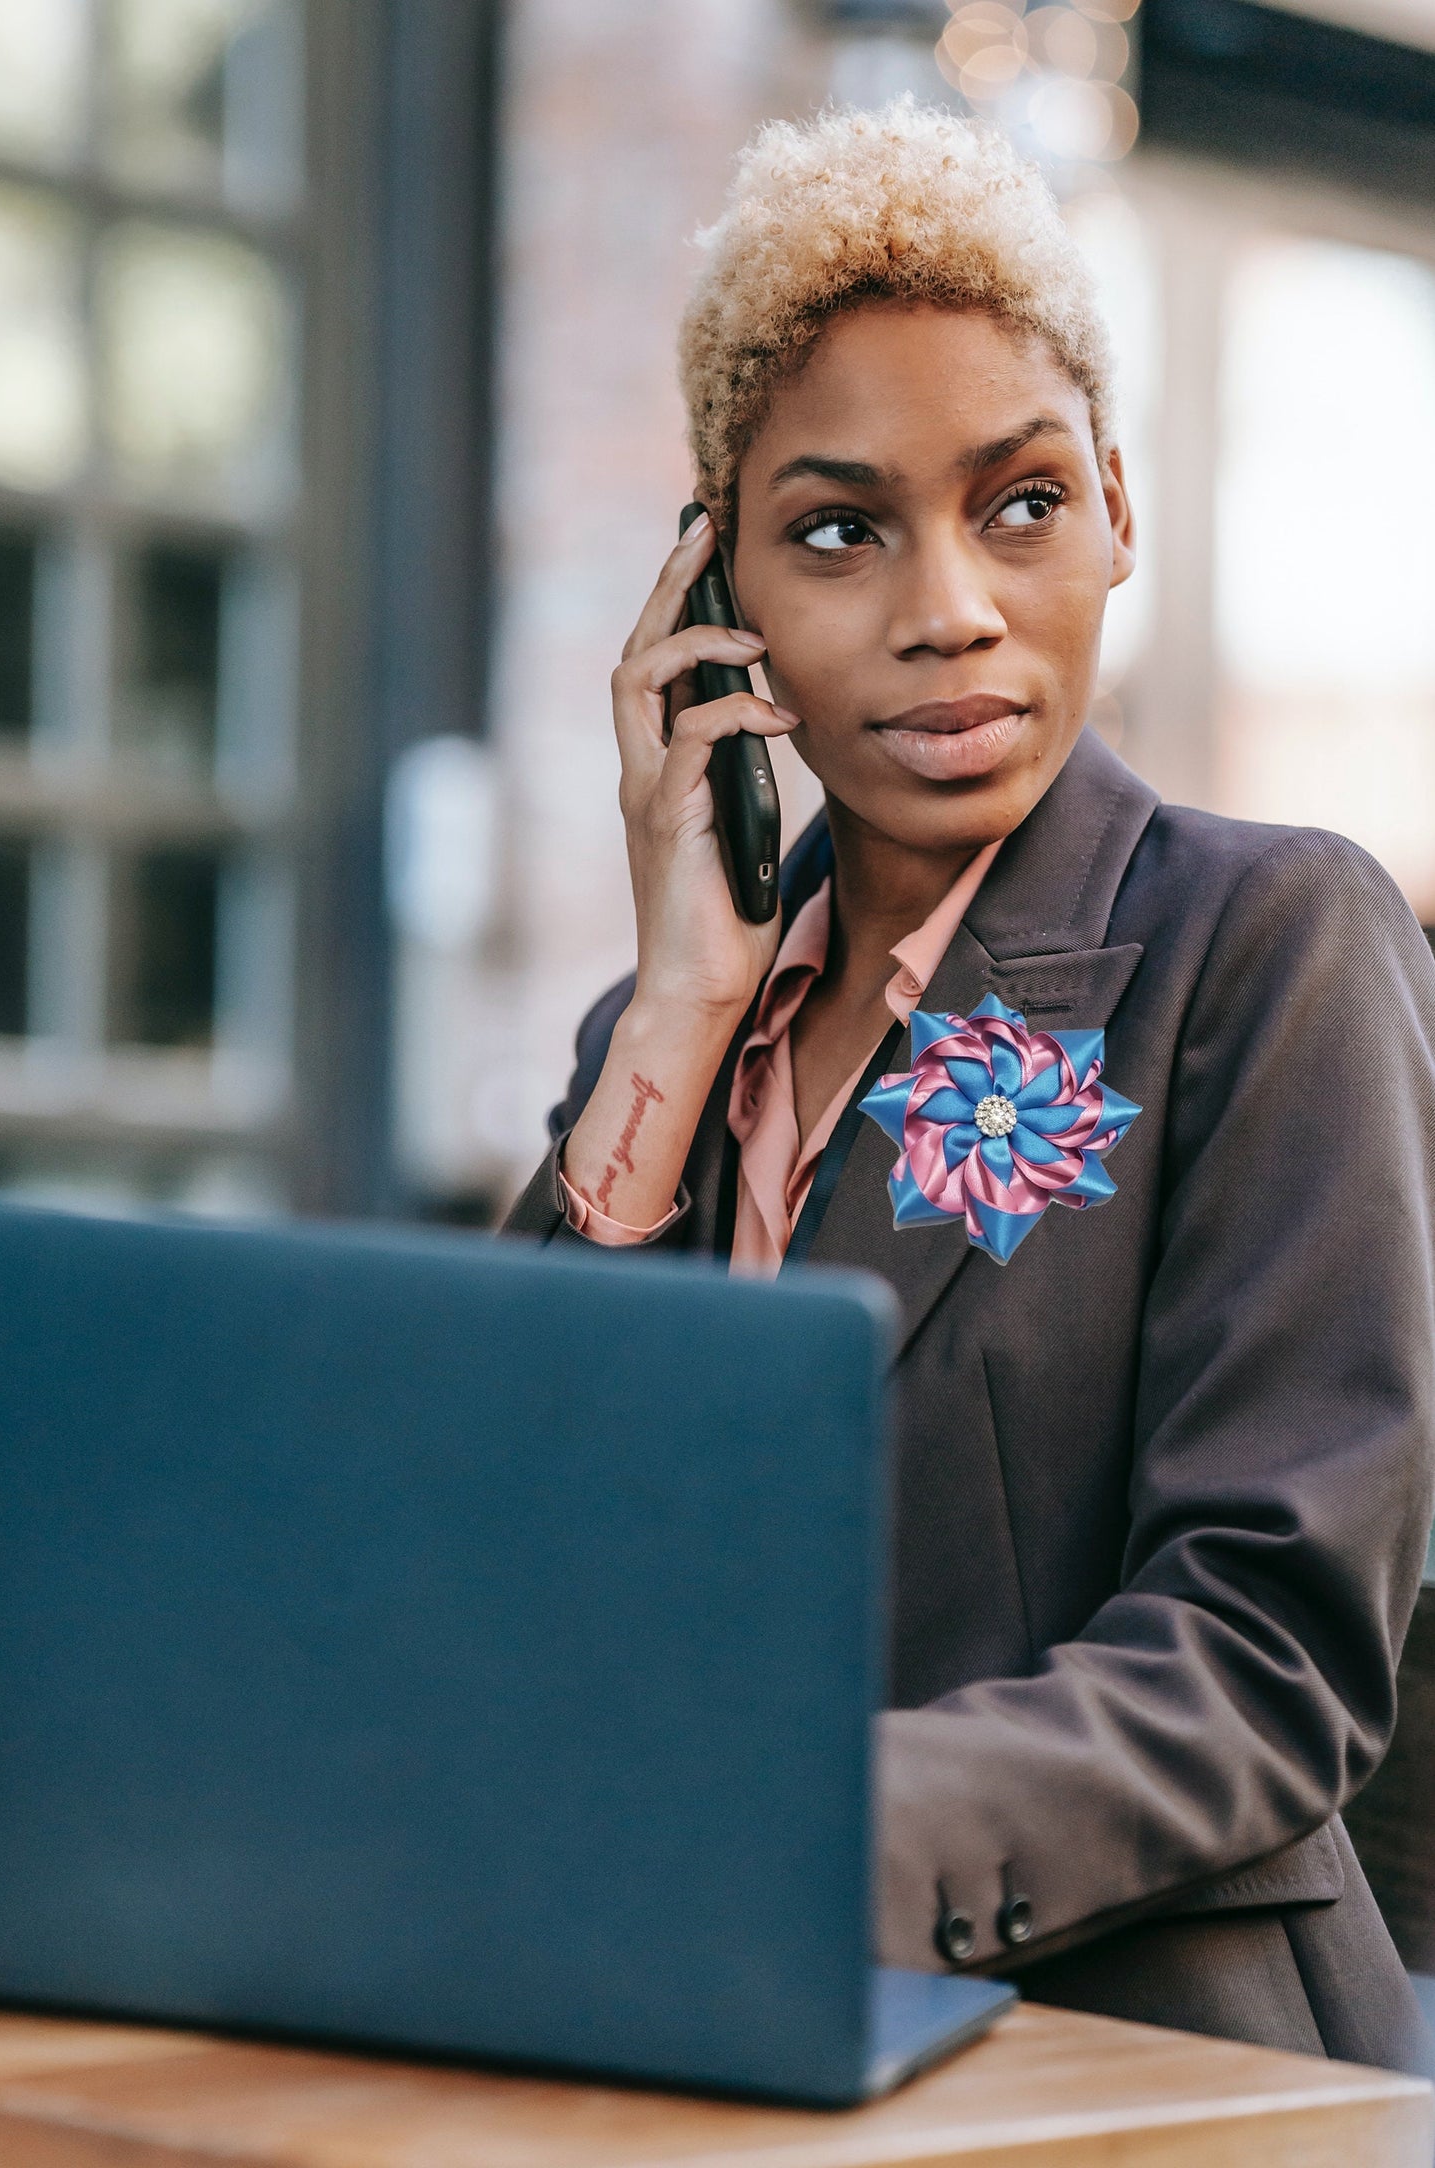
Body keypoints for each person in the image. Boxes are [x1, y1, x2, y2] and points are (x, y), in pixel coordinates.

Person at [503, 100, 1435, 2077]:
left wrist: (783, 1843)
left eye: (1019, 503)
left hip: (1146, 2063)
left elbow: (1268, 1645)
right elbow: (511, 1554)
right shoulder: (655, 1044)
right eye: (841, 529)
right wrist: (679, 1007)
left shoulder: (1263, 949)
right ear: (713, 594)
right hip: (689, 2038)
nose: (950, 606)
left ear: (1115, 505)